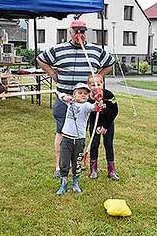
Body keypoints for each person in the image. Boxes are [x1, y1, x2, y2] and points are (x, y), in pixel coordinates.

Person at [37, 19, 115, 178]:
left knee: (80, 133)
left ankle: (76, 163)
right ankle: (59, 166)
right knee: (62, 132)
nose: (79, 35)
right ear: (70, 33)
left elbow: (110, 62)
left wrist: (99, 75)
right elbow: (41, 59)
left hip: (85, 101)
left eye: (82, 31)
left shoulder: (94, 50)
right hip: (65, 99)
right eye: (76, 32)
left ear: (86, 33)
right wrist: (52, 74)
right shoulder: (59, 49)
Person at [56, 83, 101, 195]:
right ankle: (63, 184)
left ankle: (75, 183)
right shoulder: (70, 103)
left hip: (79, 140)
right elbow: (59, 94)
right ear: (74, 94)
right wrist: (64, 97)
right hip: (67, 138)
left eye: (86, 93)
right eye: (80, 93)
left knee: (77, 163)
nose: (83, 95)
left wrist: (98, 101)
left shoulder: (86, 106)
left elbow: (95, 107)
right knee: (64, 163)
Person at [86, 74, 119, 180]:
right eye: (92, 85)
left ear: (103, 84)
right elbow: (89, 113)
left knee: (108, 144)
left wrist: (105, 126)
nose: (96, 87)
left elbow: (114, 111)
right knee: (94, 145)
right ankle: (93, 170)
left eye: (98, 84)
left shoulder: (109, 95)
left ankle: (111, 170)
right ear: (88, 86)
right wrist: (97, 126)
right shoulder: (89, 97)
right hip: (95, 125)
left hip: (108, 124)